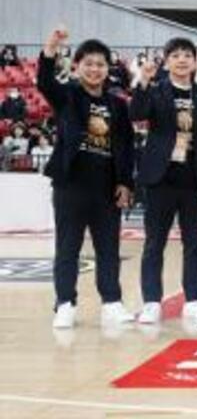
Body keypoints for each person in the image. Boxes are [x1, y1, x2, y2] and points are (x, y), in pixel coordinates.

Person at [37, 27, 135, 329]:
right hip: (71, 185)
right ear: (77, 66)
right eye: (89, 63)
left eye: (100, 64)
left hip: (106, 188)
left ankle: (112, 303)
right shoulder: (67, 95)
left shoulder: (118, 105)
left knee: (109, 249)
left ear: (108, 69)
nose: (95, 69)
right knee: (68, 248)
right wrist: (51, 48)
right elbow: (44, 82)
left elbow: (126, 146)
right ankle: (65, 303)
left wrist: (125, 183)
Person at [131, 38, 197, 325]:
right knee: (154, 243)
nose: (182, 60)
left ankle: (193, 301)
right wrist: (143, 81)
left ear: (195, 62)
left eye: (187, 55)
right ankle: (151, 303)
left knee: (194, 243)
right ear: (167, 61)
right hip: (160, 178)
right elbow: (136, 114)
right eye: (175, 55)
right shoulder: (155, 91)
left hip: (194, 179)